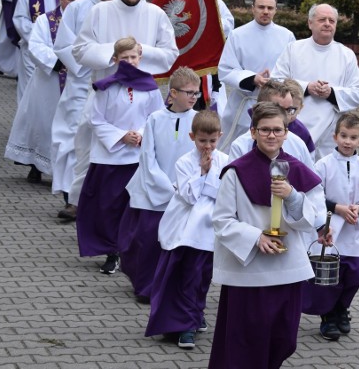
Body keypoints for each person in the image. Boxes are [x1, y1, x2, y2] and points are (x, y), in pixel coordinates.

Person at [209, 101, 326, 369]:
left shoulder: (297, 170)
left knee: (284, 338)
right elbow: (222, 219)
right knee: (245, 340)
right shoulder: (236, 172)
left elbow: (314, 216)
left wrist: (293, 196)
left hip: (287, 269)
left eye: (277, 130)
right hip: (248, 272)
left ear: (286, 133)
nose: (271, 135)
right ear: (253, 132)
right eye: (264, 130)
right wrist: (256, 237)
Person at [69, 0, 178, 212]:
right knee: (88, 146)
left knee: (144, 150)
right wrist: (114, 52)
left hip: (142, 96)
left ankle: (136, 209)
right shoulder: (100, 12)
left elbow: (170, 54)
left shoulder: (156, 14)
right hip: (105, 94)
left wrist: (140, 50)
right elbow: (79, 50)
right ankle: (79, 201)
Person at [76, 36, 164, 275]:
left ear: (140, 58)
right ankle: (111, 251)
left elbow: (156, 117)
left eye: (133, 57)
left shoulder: (150, 86)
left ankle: (131, 252)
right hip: (110, 156)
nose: (130, 61)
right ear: (115, 60)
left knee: (133, 206)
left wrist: (143, 134)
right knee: (109, 206)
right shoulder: (105, 88)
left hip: (137, 156)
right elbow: (96, 119)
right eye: (124, 58)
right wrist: (122, 136)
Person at [145, 109, 228, 349]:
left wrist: (210, 175)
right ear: (192, 137)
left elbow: (222, 193)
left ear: (220, 136)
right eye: (203, 141)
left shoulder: (224, 161)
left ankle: (196, 312)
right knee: (187, 277)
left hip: (211, 229)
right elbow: (189, 196)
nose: (208, 147)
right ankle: (185, 325)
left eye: (212, 141)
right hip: (187, 231)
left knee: (203, 278)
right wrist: (202, 172)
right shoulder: (183, 162)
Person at [120, 67, 200, 302]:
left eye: (196, 93)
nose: (194, 97)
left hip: (185, 191)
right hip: (153, 190)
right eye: (189, 92)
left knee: (177, 244)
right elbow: (148, 158)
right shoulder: (155, 119)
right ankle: (146, 287)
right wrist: (166, 187)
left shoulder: (198, 120)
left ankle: (172, 287)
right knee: (147, 241)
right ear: (173, 93)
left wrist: (184, 187)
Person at [50, 0, 118, 221]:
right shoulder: (78, 8)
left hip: (113, 86)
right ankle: (72, 198)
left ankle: (98, 201)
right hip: (82, 83)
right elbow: (64, 45)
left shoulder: (120, 9)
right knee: (72, 140)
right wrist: (93, 65)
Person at [303, 112, 359, 341]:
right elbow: (314, 195)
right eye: (344, 136)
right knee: (331, 276)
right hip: (331, 227)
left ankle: (342, 308)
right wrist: (337, 208)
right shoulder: (323, 165)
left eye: (353, 137)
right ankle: (328, 316)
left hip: (354, 229)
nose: (348, 141)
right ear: (335, 137)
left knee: (356, 272)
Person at [4, 0, 84, 180]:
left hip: (76, 82)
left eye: (78, 1)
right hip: (49, 83)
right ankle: (37, 165)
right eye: (70, 0)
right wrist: (59, 63)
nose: (74, 5)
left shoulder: (87, 21)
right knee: (43, 125)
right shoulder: (45, 20)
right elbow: (36, 45)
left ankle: (66, 173)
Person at [272, 3, 359, 159]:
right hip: (296, 125)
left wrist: (331, 93)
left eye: (332, 20)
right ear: (310, 23)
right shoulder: (293, 49)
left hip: (330, 133)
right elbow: (276, 82)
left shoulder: (346, 55)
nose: (327, 24)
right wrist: (307, 87)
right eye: (322, 19)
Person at [217, 0, 295, 151]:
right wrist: (253, 78)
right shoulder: (237, 35)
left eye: (270, 8)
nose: (265, 11)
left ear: (275, 11)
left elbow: (293, 69)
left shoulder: (287, 36)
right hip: (244, 102)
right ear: (252, 9)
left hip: (275, 104)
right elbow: (225, 69)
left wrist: (273, 83)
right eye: (261, 7)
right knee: (232, 150)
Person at [225, 80, 314, 170]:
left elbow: (312, 181)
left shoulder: (298, 144)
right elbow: (232, 182)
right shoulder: (240, 147)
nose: (286, 117)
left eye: (289, 110)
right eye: (279, 110)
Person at [13, 0, 60, 102]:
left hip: (57, 51)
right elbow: (20, 19)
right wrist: (41, 36)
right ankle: (26, 122)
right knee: (29, 88)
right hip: (32, 50)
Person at [283, 78, 315, 156]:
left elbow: (309, 157)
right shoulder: (262, 123)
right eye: (282, 108)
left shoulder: (302, 132)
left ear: (300, 108)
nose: (286, 115)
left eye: (291, 110)